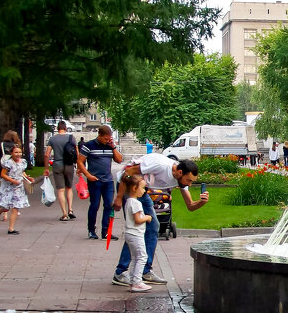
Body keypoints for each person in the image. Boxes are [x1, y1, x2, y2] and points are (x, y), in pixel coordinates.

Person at [109, 155, 207, 287]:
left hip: (142, 191)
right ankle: (120, 272)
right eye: (188, 180)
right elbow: (128, 172)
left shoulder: (181, 179)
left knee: (153, 226)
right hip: (128, 185)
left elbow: (190, 206)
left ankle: (145, 271)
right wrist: (119, 197)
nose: (189, 184)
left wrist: (202, 202)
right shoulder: (160, 165)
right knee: (135, 231)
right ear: (179, 172)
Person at [77, 125, 124, 240]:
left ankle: (106, 231)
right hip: (95, 180)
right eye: (106, 139)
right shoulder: (89, 146)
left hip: (108, 181)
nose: (107, 141)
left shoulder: (109, 146)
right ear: (100, 136)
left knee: (109, 205)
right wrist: (88, 175)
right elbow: (80, 161)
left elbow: (119, 160)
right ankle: (91, 230)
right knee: (94, 205)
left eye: (109, 139)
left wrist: (113, 147)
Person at [120, 174, 153, 292]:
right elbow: (138, 220)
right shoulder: (136, 203)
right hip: (136, 234)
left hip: (130, 233)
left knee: (135, 257)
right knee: (142, 256)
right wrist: (147, 217)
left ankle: (132, 281)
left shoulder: (128, 201)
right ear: (134, 188)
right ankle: (137, 281)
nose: (144, 191)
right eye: (143, 188)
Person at [44, 121, 79, 221]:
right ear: (66, 128)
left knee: (60, 190)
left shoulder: (52, 139)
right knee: (69, 188)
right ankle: (71, 210)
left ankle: (64, 214)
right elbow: (77, 152)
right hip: (69, 165)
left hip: (57, 164)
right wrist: (79, 166)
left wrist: (46, 168)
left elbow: (47, 154)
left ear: (57, 128)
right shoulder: (71, 138)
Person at [0, 144, 33, 235]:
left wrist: (28, 178)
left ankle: (11, 229)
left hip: (18, 188)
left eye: (20, 152)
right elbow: (3, 174)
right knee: (6, 207)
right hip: (8, 187)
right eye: (16, 152)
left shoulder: (23, 162)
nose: (18, 154)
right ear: (11, 153)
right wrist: (12, 180)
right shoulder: (8, 163)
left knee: (15, 207)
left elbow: (22, 172)